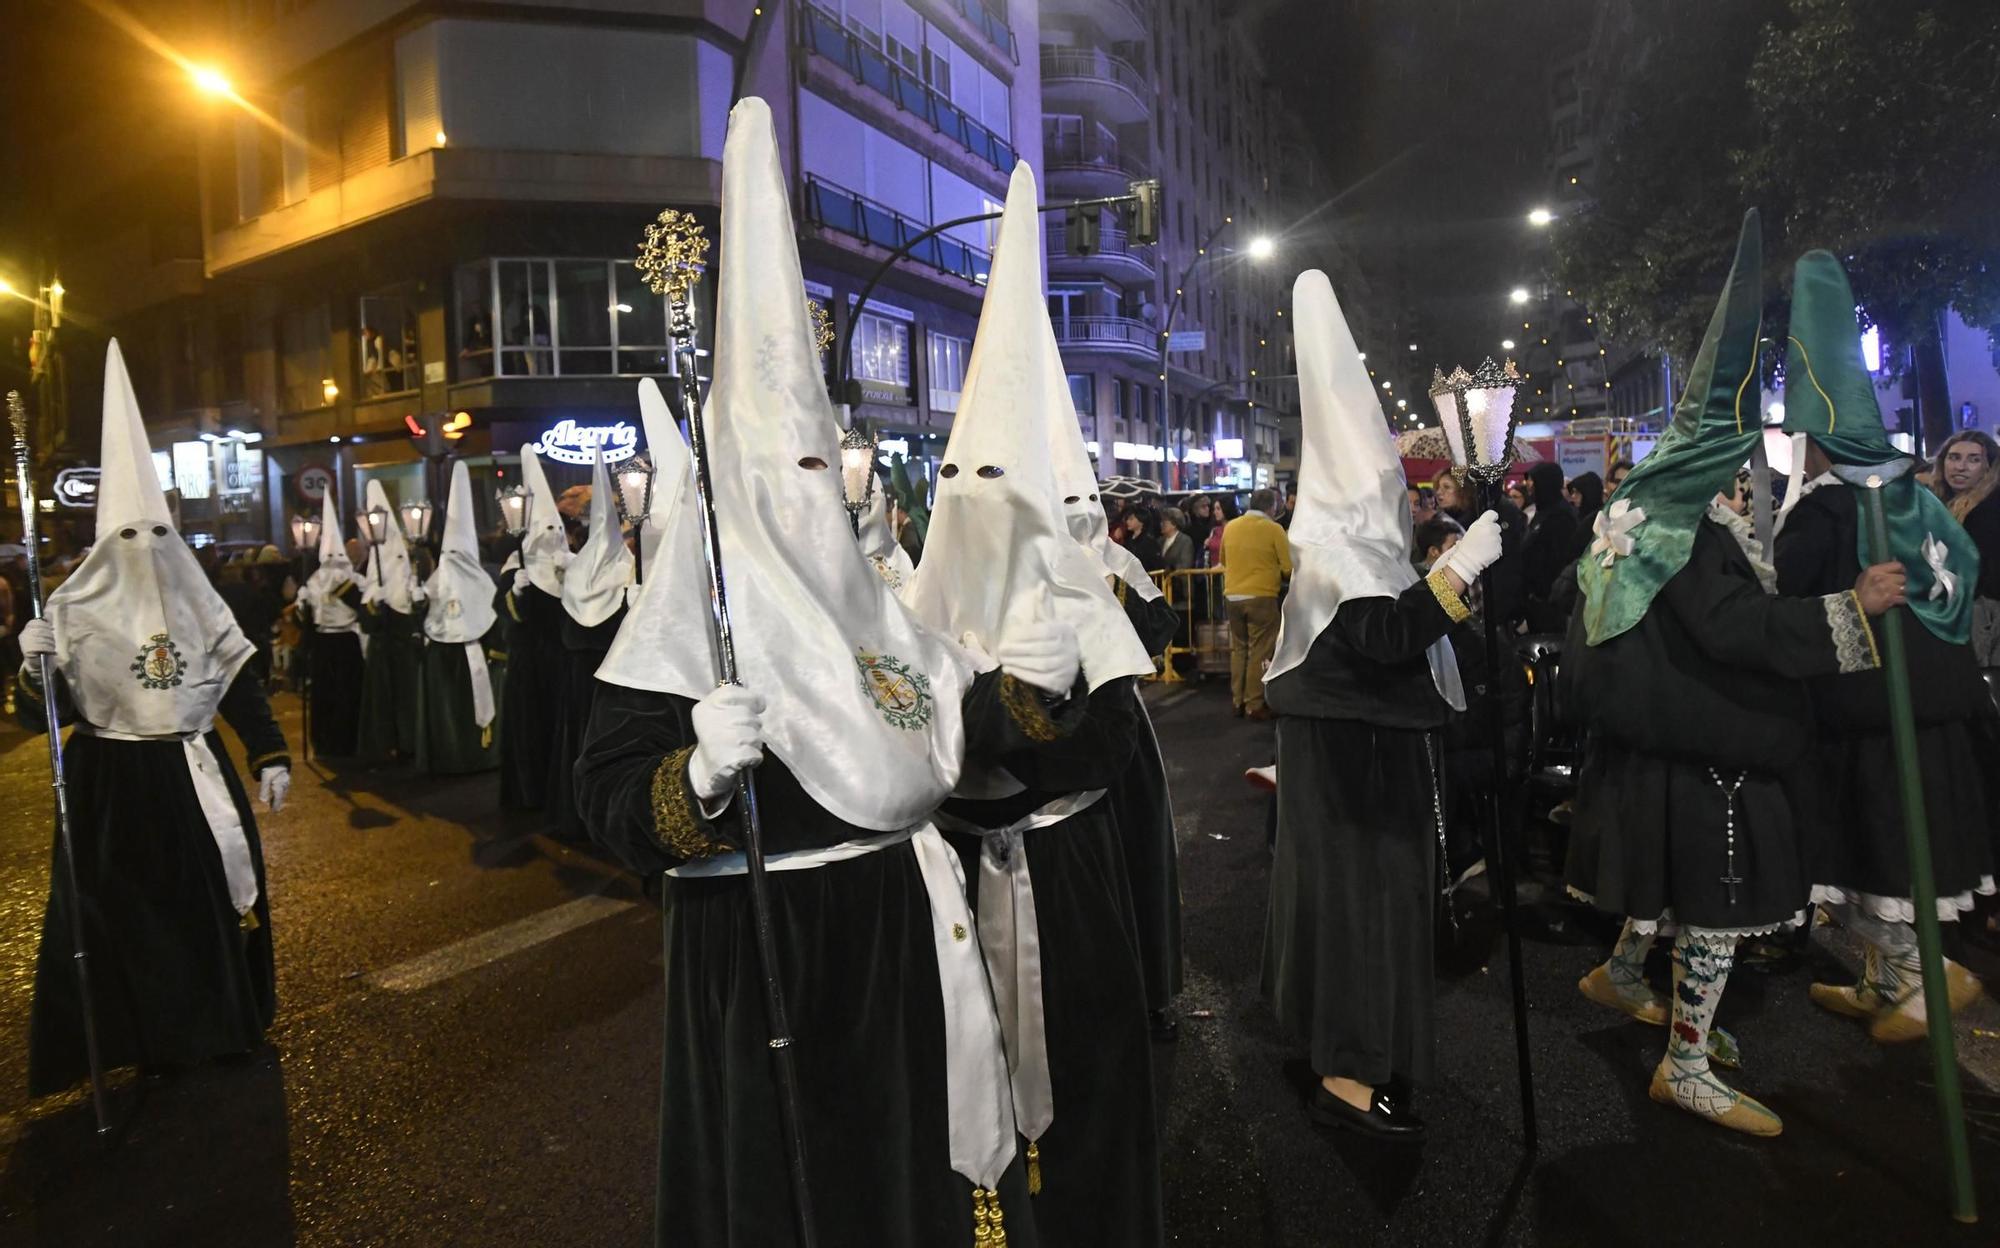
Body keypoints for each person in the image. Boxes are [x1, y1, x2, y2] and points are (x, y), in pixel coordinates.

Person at [578, 100, 1041, 1245]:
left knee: (903, 1176)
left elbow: (953, 728)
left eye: (810, 462)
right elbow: (606, 798)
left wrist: (1027, 683)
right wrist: (693, 776)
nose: (798, 492)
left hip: (898, 929)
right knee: (801, 1188)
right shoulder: (691, 605)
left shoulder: (864, 599)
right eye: (770, 468)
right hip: (766, 952)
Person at [1565, 213, 1903, 1137]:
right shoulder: (1685, 529)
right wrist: (1852, 611)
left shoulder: (1653, 510)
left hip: (1668, 747)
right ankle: (1683, 1061)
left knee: (1678, 895)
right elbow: (1733, 628)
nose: (1749, 471)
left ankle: (1637, 986)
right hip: (1713, 747)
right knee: (1716, 905)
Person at [906, 159, 1165, 1245]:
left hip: (1064, 882)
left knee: (1089, 1079)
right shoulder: (912, 607)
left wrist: (1039, 699)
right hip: (949, 891)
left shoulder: (1084, 604)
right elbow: (908, 747)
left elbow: (1107, 754)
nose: (974, 513)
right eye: (957, 488)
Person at [1260, 270, 1498, 1142]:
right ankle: (1346, 1067)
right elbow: (1388, 638)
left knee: (1376, 913)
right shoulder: (1337, 556)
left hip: (1372, 765)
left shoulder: (1362, 552)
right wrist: (1461, 567)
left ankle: (1361, 1051)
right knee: (1359, 913)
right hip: (1351, 776)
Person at [16, 341, 288, 1096]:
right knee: (137, 923)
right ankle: (155, 1038)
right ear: (108, 539)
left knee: (214, 906)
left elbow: (237, 684)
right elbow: (43, 717)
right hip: (116, 785)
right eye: (129, 536)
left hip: (194, 771)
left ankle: (227, 1025)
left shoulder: (200, 599)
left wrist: (269, 754)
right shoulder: (71, 611)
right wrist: (33, 661)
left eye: (158, 534)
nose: (147, 549)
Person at [1774, 251, 1992, 1040]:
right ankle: (1886, 978)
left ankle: (1918, 977)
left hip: (1868, 720)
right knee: (1901, 856)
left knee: (1874, 859)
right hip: (1936, 710)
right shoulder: (1923, 502)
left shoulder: (1828, 515)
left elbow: (1793, 614)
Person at [1048, 356, 1186, 1043]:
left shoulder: (1121, 562)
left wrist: (1120, 595)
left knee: (1136, 857)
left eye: (1086, 503)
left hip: (1123, 730)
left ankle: (1150, 989)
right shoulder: (1035, 566)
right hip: (1059, 737)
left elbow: (1161, 631)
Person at [555, 444, 638, 843]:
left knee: (580, 745)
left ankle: (576, 814)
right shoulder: (625, 570)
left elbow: (570, 630)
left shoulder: (576, 574)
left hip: (578, 680)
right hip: (611, 679)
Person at [497, 444, 570, 810]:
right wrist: (517, 592)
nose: (554, 533)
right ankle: (529, 794)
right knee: (530, 729)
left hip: (560, 661)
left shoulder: (567, 566)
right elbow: (508, 616)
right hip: (528, 664)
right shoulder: (516, 567)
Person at [418, 461, 502, 775]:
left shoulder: (483, 581)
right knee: (445, 715)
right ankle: (445, 758)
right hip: (442, 655)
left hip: (473, 656)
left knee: (470, 712)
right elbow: (426, 613)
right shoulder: (436, 579)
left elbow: (493, 619)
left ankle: (476, 757)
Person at [354, 480, 425, 764]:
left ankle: (409, 743)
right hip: (383, 654)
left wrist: (420, 599)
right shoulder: (375, 582)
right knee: (383, 703)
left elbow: (419, 617)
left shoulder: (409, 579)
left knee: (408, 700)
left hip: (405, 653)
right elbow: (367, 624)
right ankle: (385, 747)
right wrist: (374, 605)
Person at [294, 489, 365, 757]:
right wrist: (301, 607)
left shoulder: (353, 580)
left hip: (346, 640)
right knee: (324, 694)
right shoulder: (314, 580)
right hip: (324, 642)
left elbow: (360, 606)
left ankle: (349, 741)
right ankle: (324, 742)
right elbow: (306, 622)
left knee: (348, 694)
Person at [1221, 488, 1292, 719]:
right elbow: (1288, 568)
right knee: (1260, 650)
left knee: (1239, 648)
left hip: (1232, 596)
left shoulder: (1231, 527)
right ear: (1272, 507)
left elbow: (1223, 559)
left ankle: (1236, 700)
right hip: (1261, 596)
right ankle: (1254, 704)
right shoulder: (1274, 529)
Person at [1932, 430, 2000, 665]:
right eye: (1954, 457)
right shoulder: (1944, 505)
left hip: (1982, 610)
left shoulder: (1987, 510)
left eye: (1974, 459)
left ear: (1988, 467)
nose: (1960, 467)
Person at [1519, 461, 1580, 631]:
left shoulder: (1562, 516)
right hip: (1536, 602)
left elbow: (1558, 560)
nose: (1529, 486)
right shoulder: (1542, 512)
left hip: (1552, 604)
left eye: (1533, 481)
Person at [1566, 471, 1605, 564]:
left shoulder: (1598, 519)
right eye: (1572, 492)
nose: (1573, 496)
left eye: (1577, 493)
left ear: (1588, 493)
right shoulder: (1575, 515)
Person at [1157, 507, 1196, 573]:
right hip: (1162, 581)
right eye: (1161, 521)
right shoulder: (1159, 541)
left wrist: (1169, 569)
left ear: (1174, 524)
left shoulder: (1185, 541)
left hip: (1179, 581)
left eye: (1164, 521)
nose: (1161, 524)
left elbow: (1185, 564)